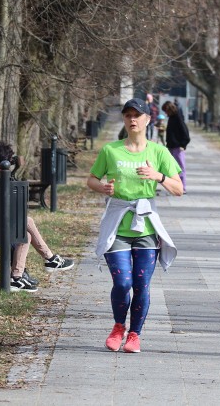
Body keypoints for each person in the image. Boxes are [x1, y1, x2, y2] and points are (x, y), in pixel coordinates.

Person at [87, 97, 183, 353]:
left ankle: (134, 334)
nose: (132, 120)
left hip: (146, 228)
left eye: (137, 115)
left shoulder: (158, 152)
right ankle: (119, 326)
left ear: (147, 119)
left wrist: (158, 176)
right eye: (128, 115)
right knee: (122, 283)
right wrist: (103, 187)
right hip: (118, 223)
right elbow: (92, 180)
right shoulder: (111, 150)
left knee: (141, 285)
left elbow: (179, 189)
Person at [0, 141, 75, 285]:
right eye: (9, 160)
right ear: (2, 161)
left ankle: (19, 275)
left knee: (24, 232)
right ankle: (49, 259)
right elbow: (2, 196)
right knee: (26, 223)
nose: (10, 162)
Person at [162, 100, 190, 194]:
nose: (165, 113)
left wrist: (183, 145)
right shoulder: (171, 118)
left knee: (180, 168)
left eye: (165, 111)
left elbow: (185, 133)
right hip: (171, 146)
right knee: (172, 168)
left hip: (178, 147)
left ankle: (182, 187)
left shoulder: (178, 117)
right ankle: (175, 187)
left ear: (169, 109)